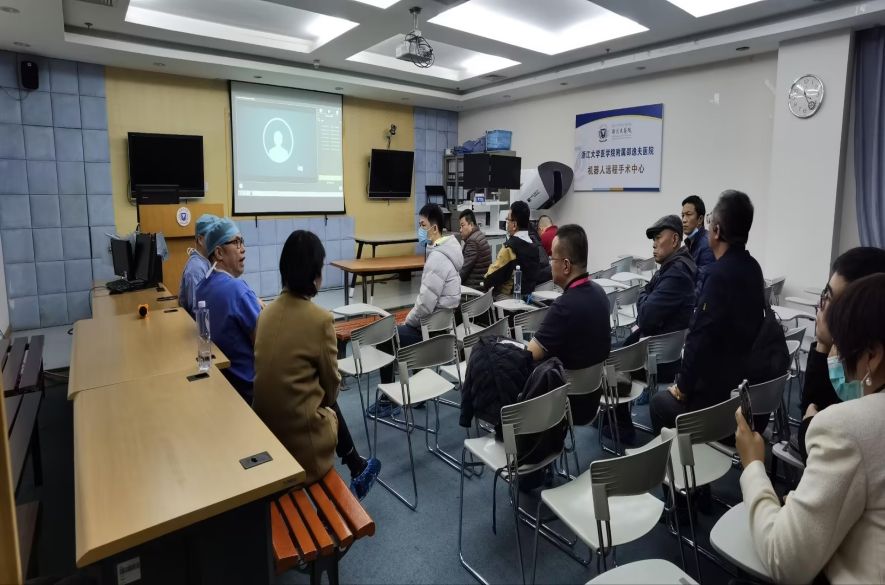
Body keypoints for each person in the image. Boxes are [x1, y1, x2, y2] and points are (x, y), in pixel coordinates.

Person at [735, 273, 885, 584]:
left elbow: (784, 560)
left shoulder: (848, 428)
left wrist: (752, 465)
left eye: (842, 347)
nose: (836, 358)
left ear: (872, 355)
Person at [253, 230, 381, 499]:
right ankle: (357, 467)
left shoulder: (265, 315)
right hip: (303, 450)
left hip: (265, 438)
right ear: (314, 275)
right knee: (327, 403)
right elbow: (332, 391)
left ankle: (357, 465)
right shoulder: (320, 319)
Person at [650, 190, 765, 434]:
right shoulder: (754, 268)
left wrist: (682, 387)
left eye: (710, 220)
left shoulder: (718, 275)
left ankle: (678, 457)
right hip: (746, 389)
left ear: (717, 231)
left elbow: (699, 338)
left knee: (660, 404)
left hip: (719, 400)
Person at [369, 203, 463, 416]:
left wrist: (407, 321)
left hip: (430, 335)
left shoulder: (438, 258)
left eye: (422, 225)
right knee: (407, 330)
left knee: (387, 335)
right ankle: (418, 392)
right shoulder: (450, 252)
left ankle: (388, 400)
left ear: (434, 228)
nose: (419, 229)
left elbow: (425, 305)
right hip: (442, 333)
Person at [798, 246, 885, 460]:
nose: (822, 308)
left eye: (834, 303)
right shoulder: (839, 356)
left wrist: (809, 427)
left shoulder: (856, 426)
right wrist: (822, 343)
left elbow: (817, 447)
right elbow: (810, 407)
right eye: (825, 296)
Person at [614, 215, 696, 441]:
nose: (653, 244)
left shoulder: (676, 273)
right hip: (660, 353)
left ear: (675, 240)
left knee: (609, 359)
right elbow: (647, 298)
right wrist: (646, 295)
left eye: (658, 237)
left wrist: (644, 294)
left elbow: (646, 317)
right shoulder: (674, 267)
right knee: (614, 350)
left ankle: (620, 426)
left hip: (655, 360)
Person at [527, 224, 611, 424]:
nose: (549, 263)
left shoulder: (564, 307)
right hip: (593, 397)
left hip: (566, 405)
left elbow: (529, 354)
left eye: (552, 258)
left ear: (565, 265)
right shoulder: (600, 293)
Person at [195, 218, 262, 403]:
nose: (243, 248)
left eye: (242, 242)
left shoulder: (201, 288)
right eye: (236, 242)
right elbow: (265, 345)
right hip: (249, 389)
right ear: (219, 253)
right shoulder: (237, 290)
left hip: (222, 384)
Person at [484, 201, 550, 297]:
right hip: (528, 298)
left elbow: (491, 277)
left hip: (508, 299)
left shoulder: (510, 248)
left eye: (508, 219)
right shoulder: (535, 246)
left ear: (514, 225)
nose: (506, 222)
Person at [179, 213, 218, 317]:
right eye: (213, 236)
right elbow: (198, 311)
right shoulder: (196, 268)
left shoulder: (207, 263)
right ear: (200, 239)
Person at [681, 195, 714, 289]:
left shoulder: (707, 245)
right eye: (682, 215)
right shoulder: (688, 244)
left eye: (688, 214)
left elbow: (702, 287)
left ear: (700, 219)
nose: (684, 220)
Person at [458, 209, 491, 288]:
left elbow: (462, 272)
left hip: (473, 290)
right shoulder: (479, 235)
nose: (460, 230)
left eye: (462, 226)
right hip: (481, 286)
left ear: (471, 225)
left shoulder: (472, 242)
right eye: (460, 227)